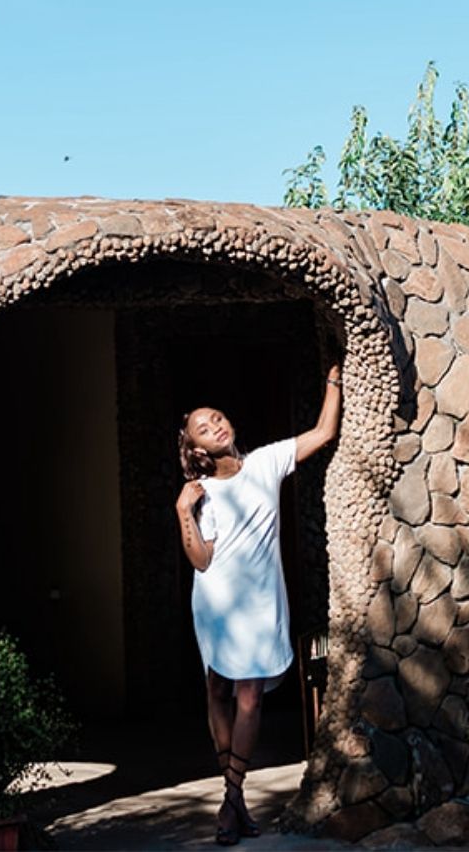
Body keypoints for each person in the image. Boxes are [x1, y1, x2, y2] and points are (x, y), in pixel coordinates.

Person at [176, 363, 343, 846]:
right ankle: (235, 803)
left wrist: (333, 381)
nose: (216, 427)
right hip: (216, 603)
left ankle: (231, 797)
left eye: (218, 418)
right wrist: (183, 511)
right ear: (198, 449)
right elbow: (201, 562)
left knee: (250, 697)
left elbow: (323, 432)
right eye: (204, 429)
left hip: (261, 602)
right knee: (217, 692)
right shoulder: (202, 494)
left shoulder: (268, 461)